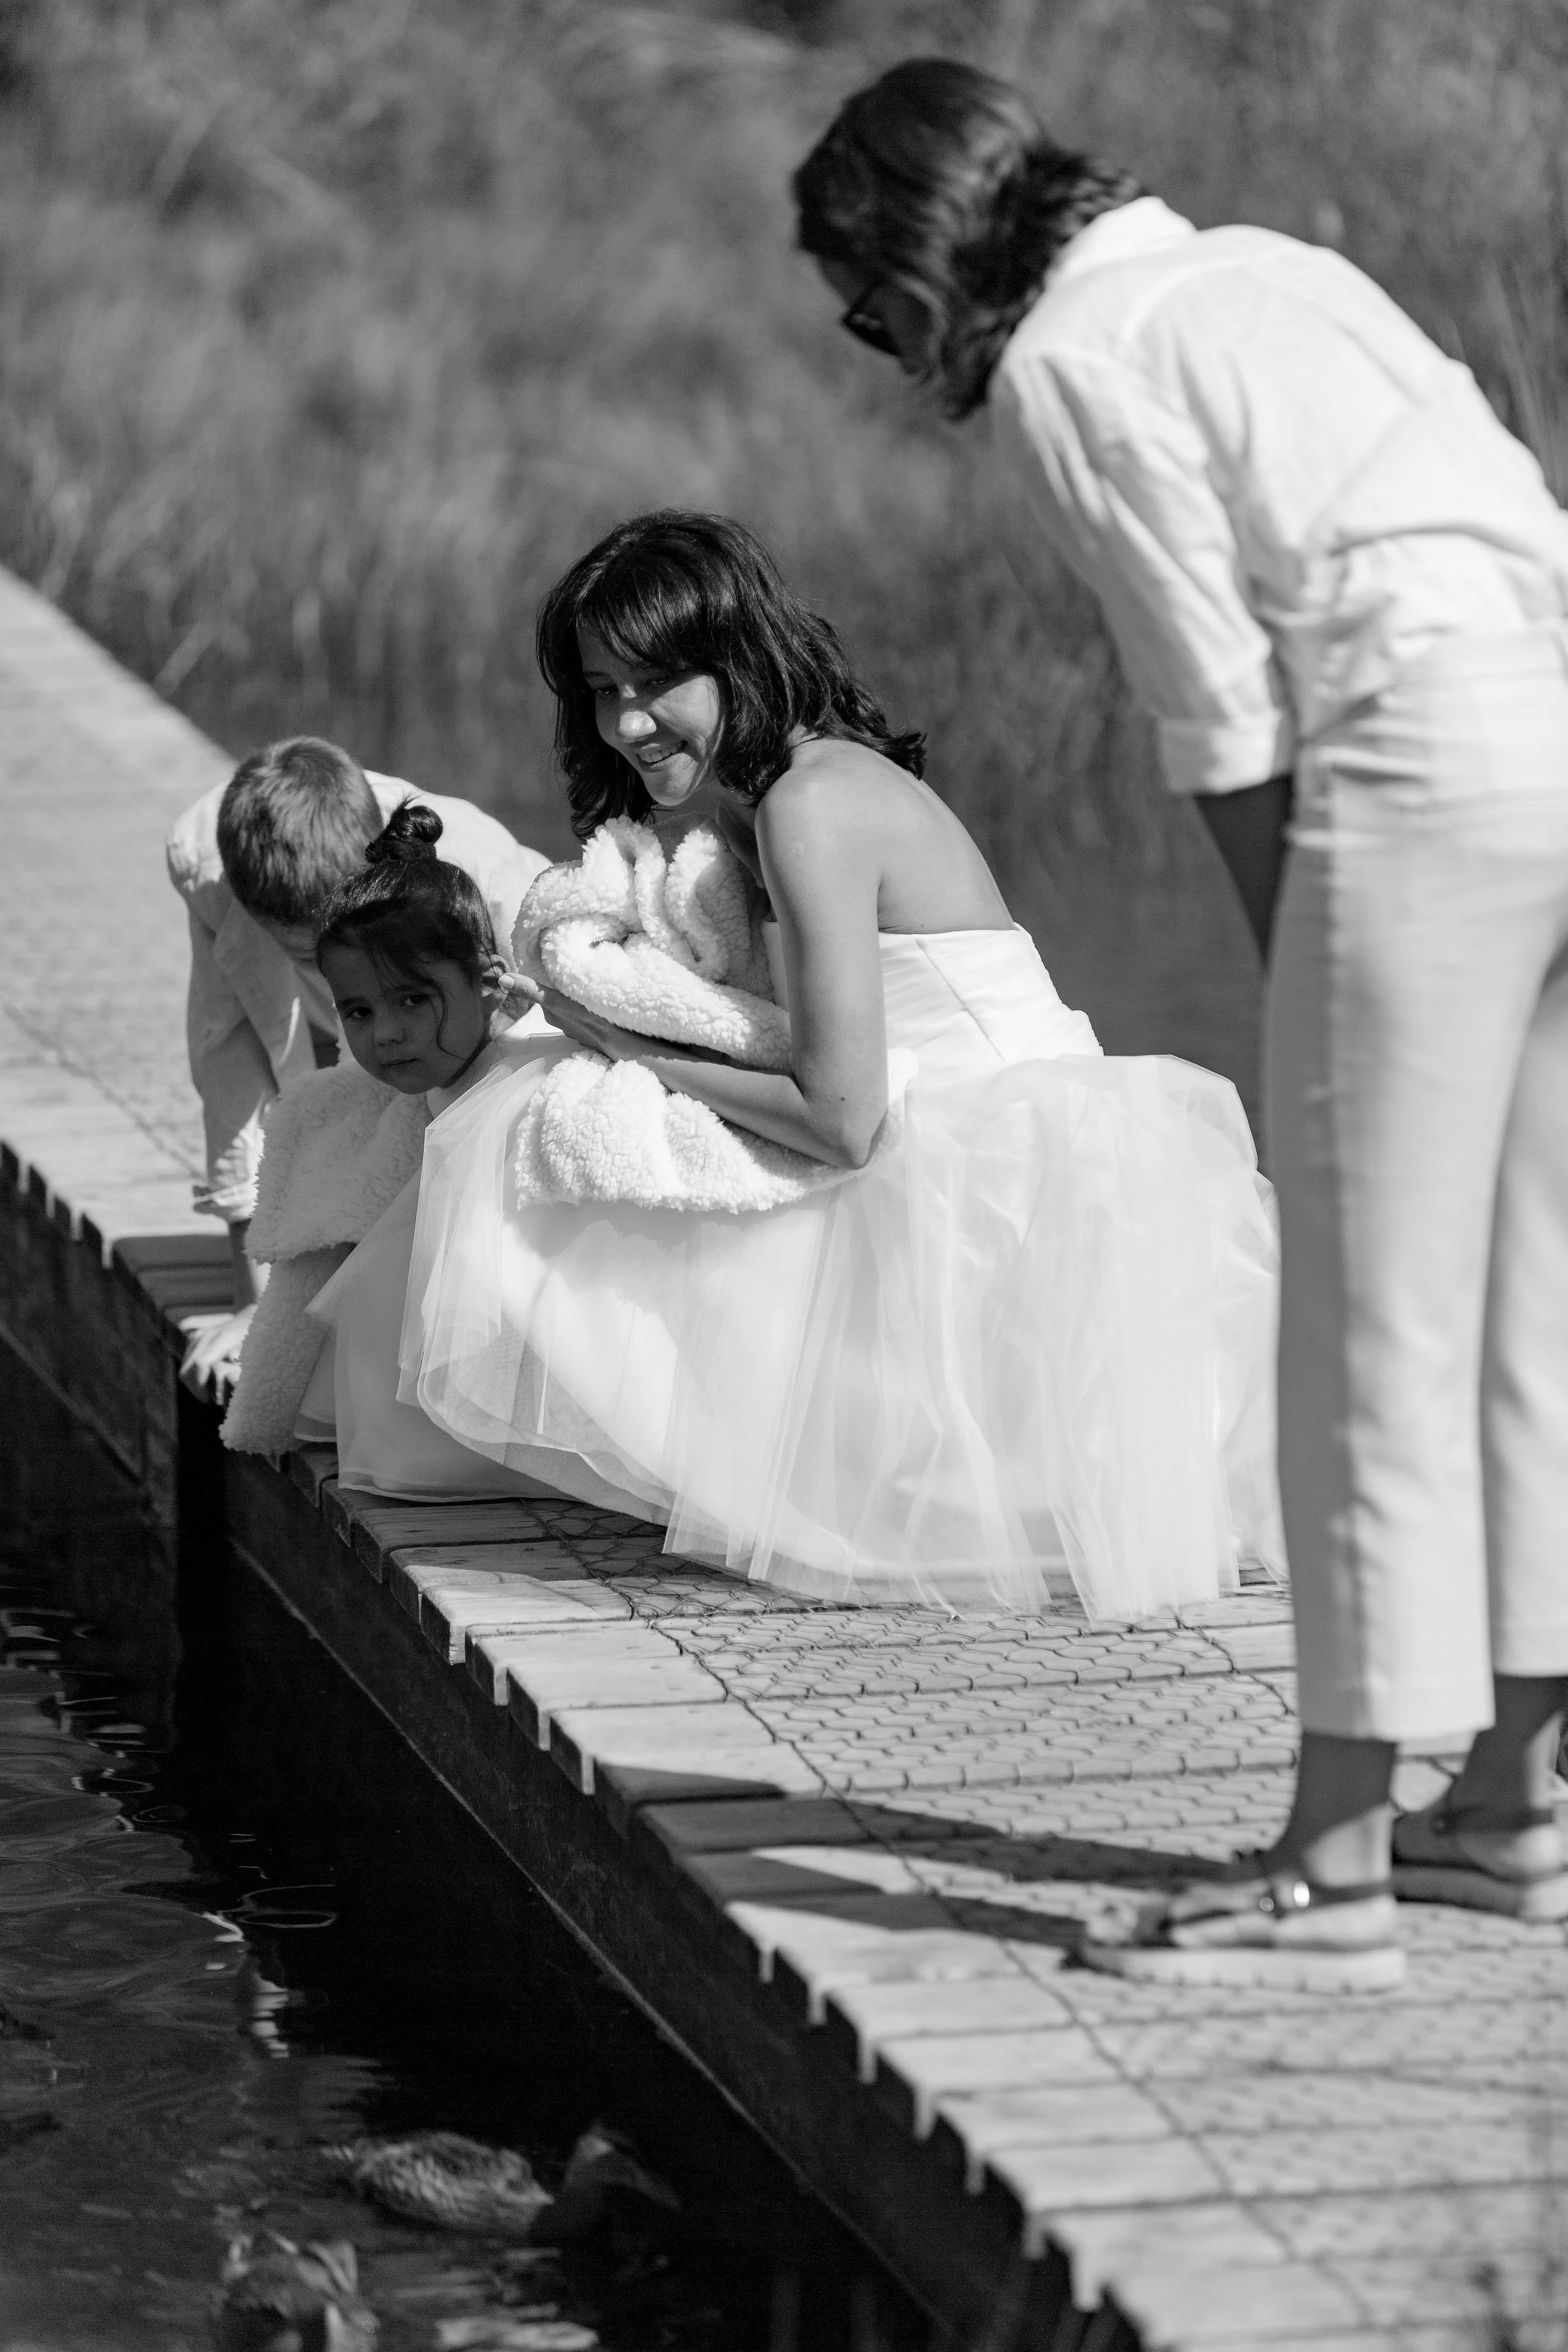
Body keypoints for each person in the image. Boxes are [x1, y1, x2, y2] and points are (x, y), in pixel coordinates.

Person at [792, 57, 1568, 1980]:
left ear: (919, 249)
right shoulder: (1259, 271)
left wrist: (1290, 964)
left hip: (1428, 762)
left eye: (859, 295)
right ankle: (1513, 1807)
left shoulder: (1066, 357)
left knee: (1362, 1314)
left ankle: (1332, 1860)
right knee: (1534, 1294)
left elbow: (1224, 721)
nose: (871, 345)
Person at [389, 508, 1282, 1616]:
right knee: (561, 1113)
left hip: (1001, 1177)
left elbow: (843, 1119)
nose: (625, 722)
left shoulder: (811, 807)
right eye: (600, 689)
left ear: (737, 657)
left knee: (531, 1135)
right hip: (967, 1131)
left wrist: (631, 1048)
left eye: (655, 682)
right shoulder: (793, 785)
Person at [167, 736, 548, 1394]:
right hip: (367, 1045)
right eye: (304, 954)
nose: (324, 966)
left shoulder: (477, 871)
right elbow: (228, 1056)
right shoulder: (206, 861)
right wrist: (253, 1302)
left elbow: (544, 1032)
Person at [282, 798, 627, 1505]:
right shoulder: (448, 1078)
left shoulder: (529, 1078)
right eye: (359, 1012)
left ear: (488, 978)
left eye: (414, 1001)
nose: (386, 1035)